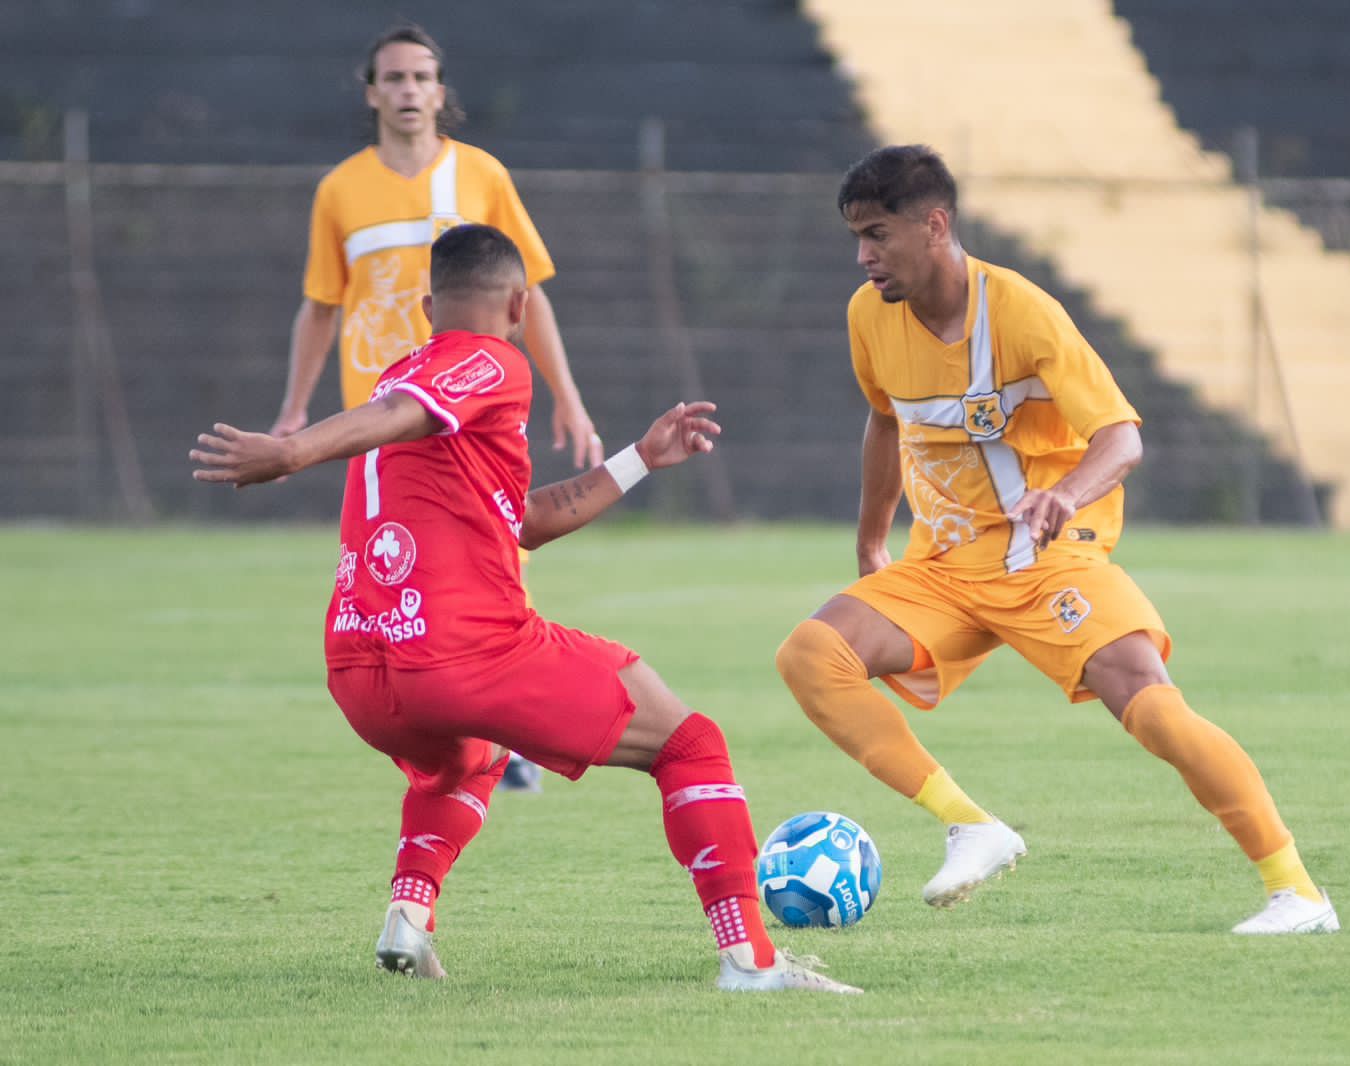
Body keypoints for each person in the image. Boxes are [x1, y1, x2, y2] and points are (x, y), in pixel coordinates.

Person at [193, 224, 861, 992]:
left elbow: (522, 522)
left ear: (424, 306)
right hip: (461, 651)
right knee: (690, 744)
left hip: (360, 669)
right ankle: (750, 960)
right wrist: (291, 452)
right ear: (518, 305)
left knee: (471, 760)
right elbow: (406, 415)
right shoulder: (491, 361)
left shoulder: (404, 376)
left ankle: (408, 916)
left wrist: (640, 458)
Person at [775, 145, 1339, 935]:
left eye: (877, 234)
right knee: (810, 655)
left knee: (1153, 711)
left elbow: (1122, 437)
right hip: (941, 570)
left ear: (934, 226)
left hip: (1046, 558)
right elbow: (883, 420)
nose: (864, 257)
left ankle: (1299, 893)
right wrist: (873, 541)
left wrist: (1064, 495)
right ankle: (971, 826)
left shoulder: (1020, 312)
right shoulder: (868, 315)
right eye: (856, 239)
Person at [272, 23, 600, 792]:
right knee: (394, 569)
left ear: (441, 91)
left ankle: (504, 727)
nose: (409, 91)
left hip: (469, 416)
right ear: (372, 94)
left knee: (495, 554)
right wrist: (294, 413)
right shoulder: (341, 191)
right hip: (382, 419)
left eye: (422, 77)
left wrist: (569, 398)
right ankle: (437, 723)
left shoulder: (480, 175)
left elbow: (531, 293)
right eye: (394, 78)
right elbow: (319, 308)